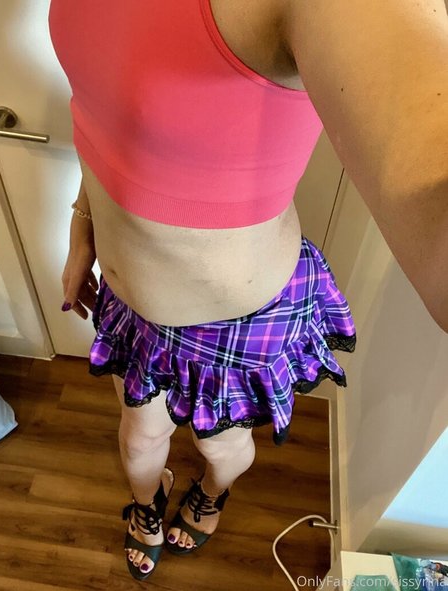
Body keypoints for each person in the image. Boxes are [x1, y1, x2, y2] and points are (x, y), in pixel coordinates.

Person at [48, 0, 448, 582]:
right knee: (138, 442)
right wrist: (83, 218)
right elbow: (104, 102)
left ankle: (211, 494)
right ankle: (145, 504)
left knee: (220, 447)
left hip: (238, 323)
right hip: (131, 307)